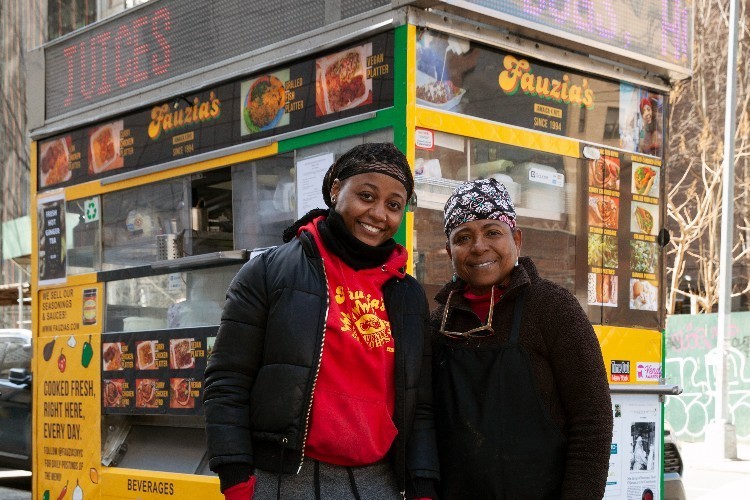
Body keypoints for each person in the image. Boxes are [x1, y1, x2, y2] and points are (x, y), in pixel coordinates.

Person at [203, 142, 439, 500]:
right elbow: (227, 380)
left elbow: (418, 403)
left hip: (379, 482)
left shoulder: (408, 295)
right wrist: (236, 477)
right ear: (335, 190)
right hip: (284, 479)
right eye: (366, 195)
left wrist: (422, 487)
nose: (378, 213)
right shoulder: (269, 272)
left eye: (394, 205)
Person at [431, 178, 613, 499]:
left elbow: (592, 421)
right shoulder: (438, 324)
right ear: (449, 250)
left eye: (492, 232)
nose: (478, 247)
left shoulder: (553, 308)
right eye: (463, 237)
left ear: (516, 239)